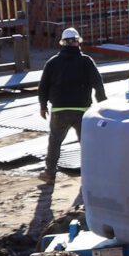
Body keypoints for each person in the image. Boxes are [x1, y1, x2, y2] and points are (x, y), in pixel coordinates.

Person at [37, 27, 105, 177]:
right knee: (86, 144)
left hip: (59, 111)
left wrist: (43, 106)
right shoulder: (86, 61)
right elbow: (98, 85)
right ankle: (89, 175)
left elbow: (43, 87)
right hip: (82, 111)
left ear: (62, 43)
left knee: (55, 141)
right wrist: (103, 107)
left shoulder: (52, 63)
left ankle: (49, 173)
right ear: (78, 43)